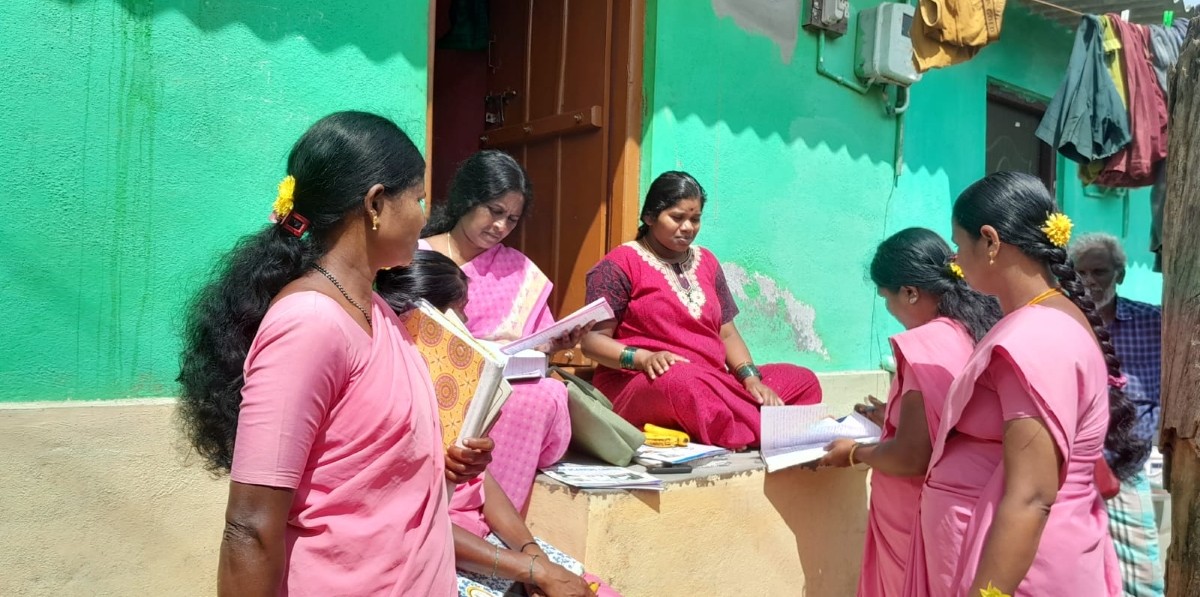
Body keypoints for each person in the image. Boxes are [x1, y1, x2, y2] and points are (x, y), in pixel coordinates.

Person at [176, 112, 492, 596]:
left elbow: (357, 463)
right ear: (375, 204)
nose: (427, 215)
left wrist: (439, 462)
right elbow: (250, 527)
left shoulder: (378, 311)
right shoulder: (309, 325)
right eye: (419, 198)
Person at [905, 171, 1146, 596]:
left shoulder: (1036, 335)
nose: (956, 260)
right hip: (1016, 550)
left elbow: (1032, 496)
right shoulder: (1050, 315)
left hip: (1021, 569)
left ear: (991, 241)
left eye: (959, 245)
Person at [378, 251, 620, 597]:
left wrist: (533, 554)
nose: (466, 321)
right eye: (459, 310)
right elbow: (422, 524)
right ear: (427, 321)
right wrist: (531, 570)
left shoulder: (452, 387)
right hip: (433, 557)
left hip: (488, 547)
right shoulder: (392, 399)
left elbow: (482, 485)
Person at [580, 171, 822, 450]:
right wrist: (644, 359)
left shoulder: (707, 261)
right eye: (677, 217)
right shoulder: (619, 264)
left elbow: (727, 334)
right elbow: (591, 342)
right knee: (686, 384)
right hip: (646, 381)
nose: (688, 227)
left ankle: (737, 425)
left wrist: (752, 380)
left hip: (714, 379)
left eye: (695, 219)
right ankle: (777, 430)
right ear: (649, 217)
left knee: (802, 380)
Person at [819, 228, 1001, 597]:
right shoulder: (974, 329)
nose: (890, 310)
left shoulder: (924, 343)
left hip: (915, 512)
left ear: (910, 292)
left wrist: (852, 453)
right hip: (972, 503)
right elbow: (954, 416)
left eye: (887, 298)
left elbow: (912, 455)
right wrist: (892, 415)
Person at [420, 150, 589, 512]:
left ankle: (494, 515)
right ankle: (452, 514)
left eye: (511, 219)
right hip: (435, 382)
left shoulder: (519, 269)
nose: (500, 226)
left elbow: (533, 345)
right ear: (467, 199)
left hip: (505, 382)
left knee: (544, 394)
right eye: (494, 211)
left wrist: (554, 345)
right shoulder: (418, 255)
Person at [1071, 233, 1164, 597]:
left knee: (1140, 577)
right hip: (1072, 468)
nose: (1090, 281)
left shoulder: (1153, 322)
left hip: (1127, 465)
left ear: (1120, 275)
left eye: (1100, 271)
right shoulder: (1062, 323)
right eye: (1081, 272)